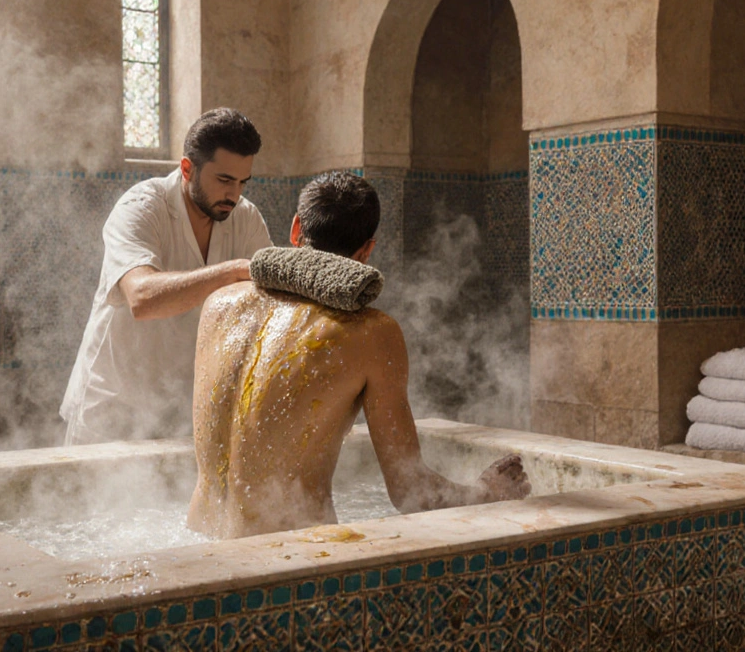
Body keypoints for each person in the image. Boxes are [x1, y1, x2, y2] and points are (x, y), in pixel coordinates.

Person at [188, 172, 530, 539]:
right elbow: (411, 493)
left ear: (295, 229)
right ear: (367, 250)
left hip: (198, 541)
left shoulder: (219, 303)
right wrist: (485, 493)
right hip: (287, 560)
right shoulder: (371, 333)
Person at [60, 109, 273, 445]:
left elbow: (269, 307)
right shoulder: (141, 206)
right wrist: (232, 271)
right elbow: (142, 298)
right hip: (113, 411)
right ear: (187, 169)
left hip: (182, 414)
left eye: (243, 182)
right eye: (224, 180)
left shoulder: (245, 218)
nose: (234, 194)